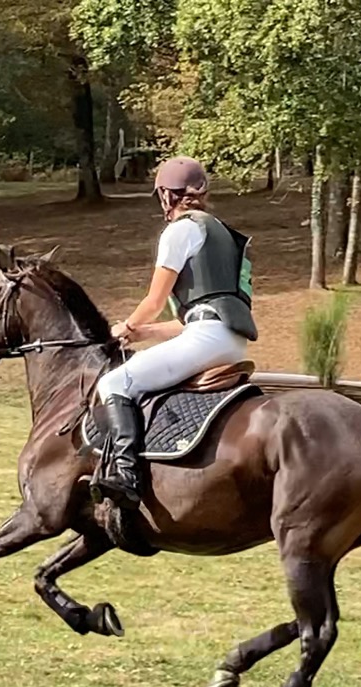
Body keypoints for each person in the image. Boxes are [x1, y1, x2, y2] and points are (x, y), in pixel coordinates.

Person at [93, 156, 257, 507]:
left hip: (206, 338)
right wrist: (145, 333)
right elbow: (193, 318)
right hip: (229, 340)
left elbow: (154, 299)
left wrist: (126, 326)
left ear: (166, 195)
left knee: (114, 383)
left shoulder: (180, 229)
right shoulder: (222, 234)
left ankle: (126, 475)